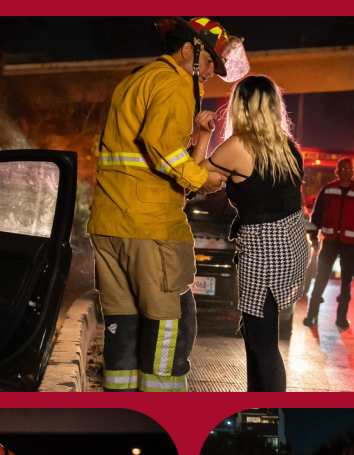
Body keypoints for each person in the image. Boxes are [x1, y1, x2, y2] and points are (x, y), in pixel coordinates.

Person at [87, 16, 243, 392]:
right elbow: (162, 151)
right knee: (171, 319)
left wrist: (200, 141)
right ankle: (161, 405)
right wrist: (201, 178)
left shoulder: (135, 81)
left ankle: (121, 401)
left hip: (110, 223)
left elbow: (143, 153)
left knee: (123, 321)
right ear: (190, 50)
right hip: (151, 226)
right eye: (208, 64)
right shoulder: (174, 82)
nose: (208, 75)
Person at [200, 74, 307, 391]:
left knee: (262, 343)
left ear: (241, 107)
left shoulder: (239, 145)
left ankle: (270, 406)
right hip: (290, 246)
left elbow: (195, 178)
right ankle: (258, 399)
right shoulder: (287, 147)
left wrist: (201, 135)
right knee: (259, 335)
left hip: (263, 250)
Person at [305, 158, 354, 329]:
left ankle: (341, 318)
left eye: (349, 170)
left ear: (353, 173)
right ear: (338, 171)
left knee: (346, 282)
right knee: (320, 279)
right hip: (329, 242)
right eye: (343, 169)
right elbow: (317, 215)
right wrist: (313, 237)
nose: (346, 172)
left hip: (350, 244)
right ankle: (312, 316)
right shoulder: (328, 190)